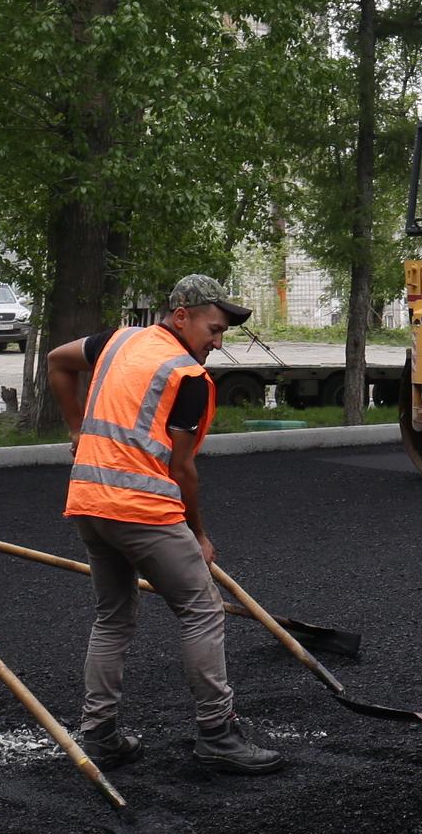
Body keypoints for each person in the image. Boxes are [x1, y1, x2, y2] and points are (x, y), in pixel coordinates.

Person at [46, 275, 284, 775]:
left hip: (88, 502)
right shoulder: (187, 377)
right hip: (142, 509)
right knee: (201, 610)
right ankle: (218, 733)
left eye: (222, 335)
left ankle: (99, 734)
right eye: (213, 330)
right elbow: (182, 472)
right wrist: (198, 534)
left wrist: (76, 425)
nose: (216, 344)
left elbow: (57, 361)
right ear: (181, 316)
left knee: (113, 615)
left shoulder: (119, 339)